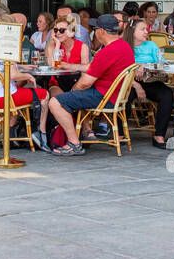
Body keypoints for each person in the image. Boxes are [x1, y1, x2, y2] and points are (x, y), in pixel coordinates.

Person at [43, 14, 135, 156]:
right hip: (115, 96)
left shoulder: (106, 51)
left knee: (55, 102)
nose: (94, 32)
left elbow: (85, 83)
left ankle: (74, 143)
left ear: (102, 31)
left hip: (103, 97)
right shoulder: (124, 46)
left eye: (95, 28)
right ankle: (84, 132)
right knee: (67, 97)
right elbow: (93, 67)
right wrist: (72, 67)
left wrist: (72, 92)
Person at [0, 13, 47, 144]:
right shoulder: (7, 46)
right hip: (4, 97)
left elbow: (1, 66)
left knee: (18, 100)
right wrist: (28, 76)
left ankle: (9, 136)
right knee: (44, 94)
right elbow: (12, 75)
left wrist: (22, 67)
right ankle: (40, 133)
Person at [125, 19, 174, 150]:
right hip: (129, 82)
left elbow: (163, 64)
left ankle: (159, 135)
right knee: (124, 98)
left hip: (151, 80)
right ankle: (121, 134)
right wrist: (137, 84)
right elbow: (121, 69)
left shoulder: (152, 45)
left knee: (167, 94)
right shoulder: (124, 46)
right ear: (132, 31)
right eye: (142, 29)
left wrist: (144, 66)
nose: (146, 32)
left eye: (146, 29)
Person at [43, 14, 90, 96]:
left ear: (71, 32)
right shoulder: (52, 46)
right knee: (59, 99)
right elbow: (54, 67)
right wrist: (57, 45)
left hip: (76, 82)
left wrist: (76, 89)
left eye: (61, 30)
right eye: (55, 30)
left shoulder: (82, 47)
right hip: (57, 83)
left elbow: (84, 73)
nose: (58, 33)